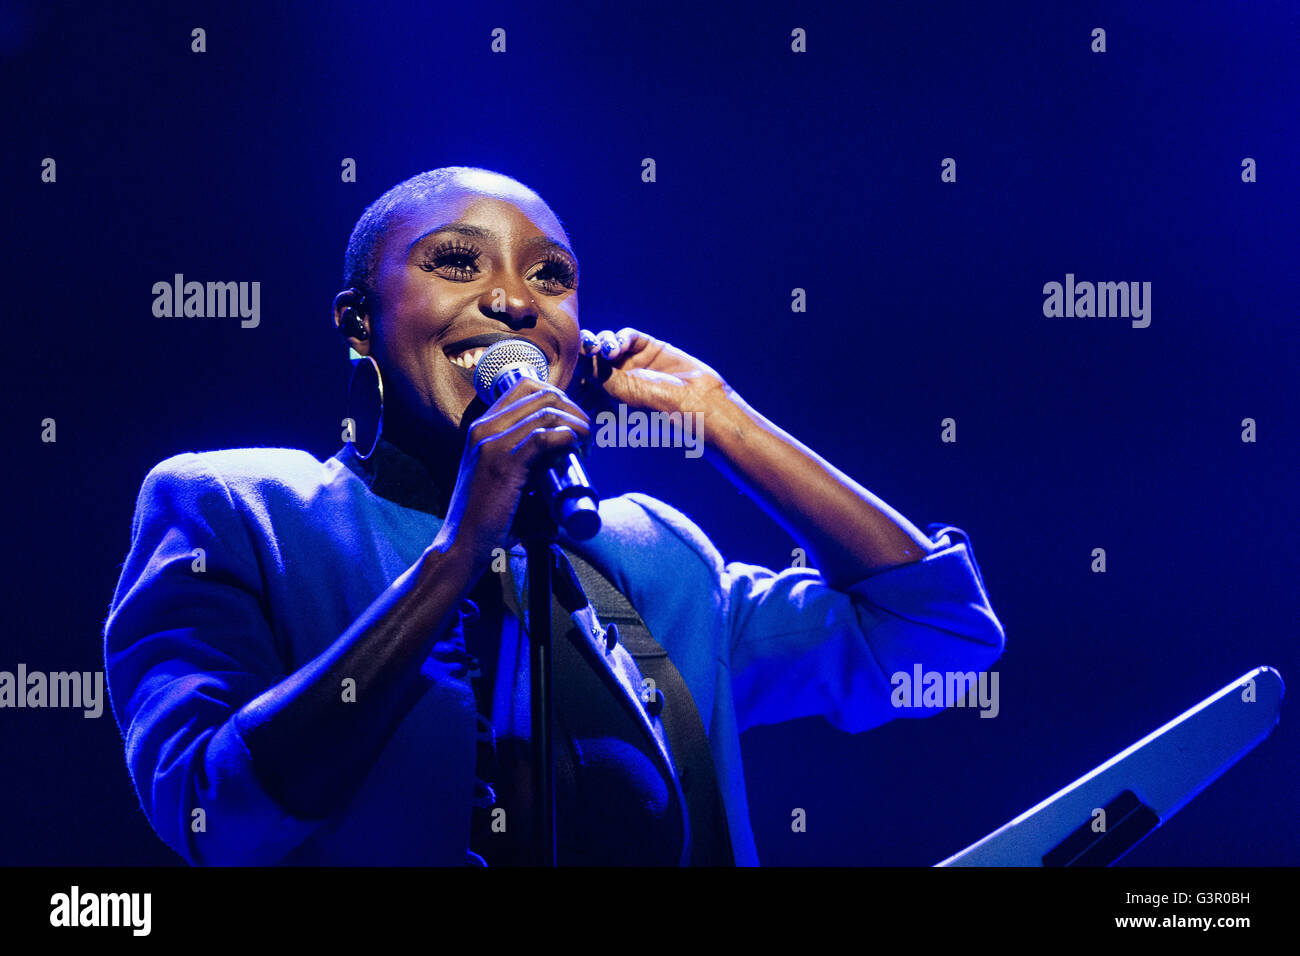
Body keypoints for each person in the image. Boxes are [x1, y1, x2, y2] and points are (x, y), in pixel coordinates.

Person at [103, 166, 1006, 866]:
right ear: (358, 322)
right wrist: (458, 555)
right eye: (457, 263)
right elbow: (212, 816)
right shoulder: (244, 510)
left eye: (551, 277)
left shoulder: (654, 559)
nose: (513, 300)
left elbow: (935, 638)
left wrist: (721, 412)